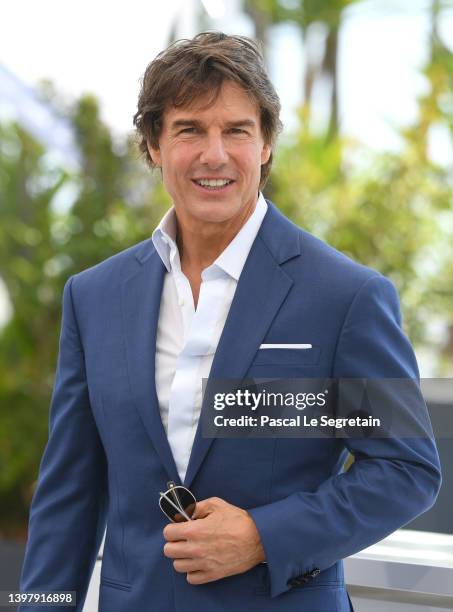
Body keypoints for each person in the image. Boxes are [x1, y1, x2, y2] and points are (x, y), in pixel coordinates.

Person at [18, 32, 441, 612]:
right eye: (189, 129)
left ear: (265, 144)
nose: (214, 154)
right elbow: (68, 497)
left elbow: (404, 470)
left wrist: (263, 537)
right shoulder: (94, 297)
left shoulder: (345, 296)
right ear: (153, 146)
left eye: (236, 130)